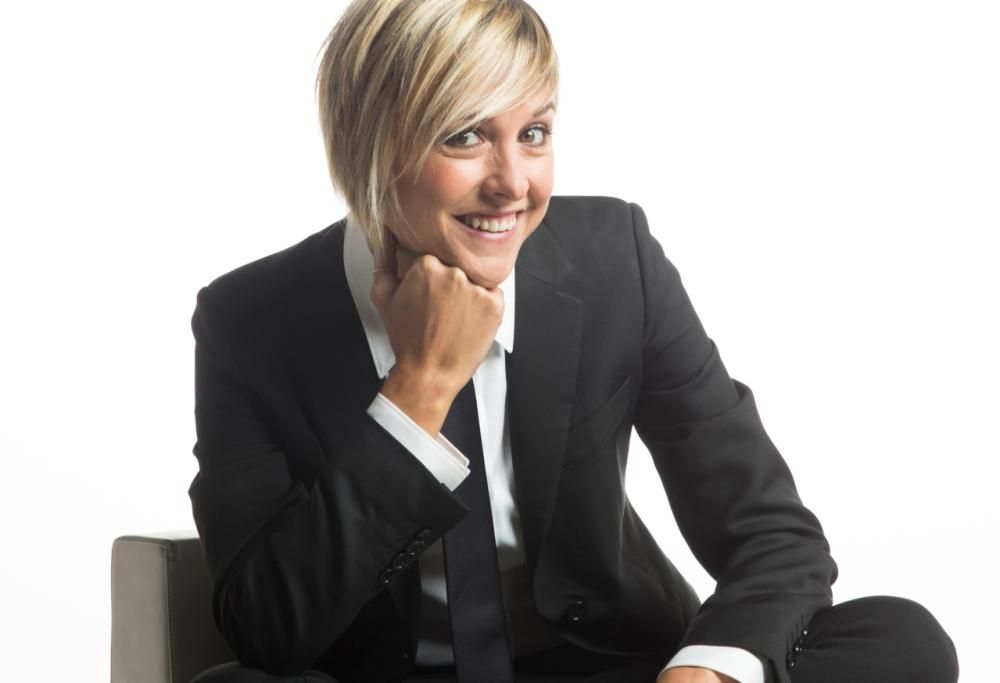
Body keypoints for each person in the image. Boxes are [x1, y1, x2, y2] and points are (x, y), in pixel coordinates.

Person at [187, 1, 958, 682]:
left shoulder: (615, 258)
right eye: (466, 136)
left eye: (533, 133)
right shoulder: (249, 319)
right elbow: (266, 628)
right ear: (371, 145)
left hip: (612, 666)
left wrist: (707, 671)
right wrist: (418, 388)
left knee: (900, 636)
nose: (513, 183)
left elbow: (773, 537)